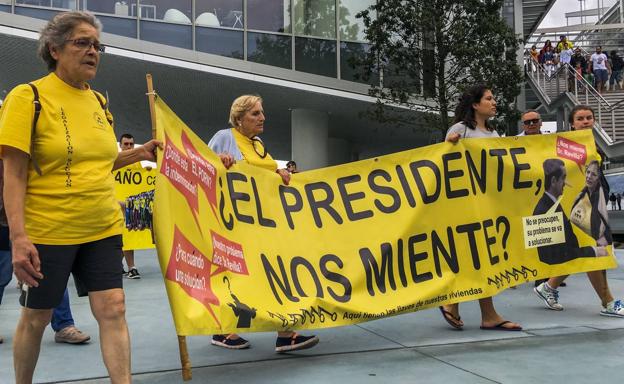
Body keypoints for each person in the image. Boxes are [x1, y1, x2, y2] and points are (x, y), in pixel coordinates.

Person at [0, 11, 161, 383]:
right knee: (37, 317)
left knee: (114, 309)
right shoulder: (29, 97)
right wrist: (19, 237)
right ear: (54, 49)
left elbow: (100, 163)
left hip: (102, 227)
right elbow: (14, 172)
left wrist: (138, 153)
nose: (93, 51)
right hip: (50, 231)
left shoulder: (99, 103)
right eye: (82, 43)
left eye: (97, 45)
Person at [207, 95, 320, 351]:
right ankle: (225, 331)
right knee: (239, 277)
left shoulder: (257, 143)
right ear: (239, 119)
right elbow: (202, 167)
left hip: (262, 225)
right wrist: (219, 162)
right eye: (255, 114)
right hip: (236, 225)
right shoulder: (225, 137)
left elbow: (261, 175)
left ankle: (284, 333)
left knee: (272, 274)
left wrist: (278, 173)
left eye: (262, 112)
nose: (262, 117)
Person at [441, 84, 522, 331]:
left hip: (487, 205)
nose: (494, 102)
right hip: (463, 206)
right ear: (476, 105)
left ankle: (480, 312)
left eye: (493, 98)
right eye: (489, 98)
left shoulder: (493, 134)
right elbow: (442, 163)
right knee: (471, 256)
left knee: (482, 258)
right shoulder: (461, 130)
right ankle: (456, 304)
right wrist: (449, 143)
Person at [533, 105, 624, 318]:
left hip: (593, 202)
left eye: (589, 117)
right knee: (593, 251)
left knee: (585, 251)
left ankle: (549, 287)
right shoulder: (561, 146)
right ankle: (608, 302)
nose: (585, 121)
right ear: (572, 123)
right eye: (580, 118)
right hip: (577, 208)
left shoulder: (593, 144)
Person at [119, 133, 142, 279]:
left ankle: (121, 265)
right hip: (116, 205)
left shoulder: (136, 163)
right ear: (120, 145)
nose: (129, 147)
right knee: (123, 236)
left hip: (129, 205)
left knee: (126, 236)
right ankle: (131, 267)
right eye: (126, 144)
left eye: (131, 144)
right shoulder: (116, 161)